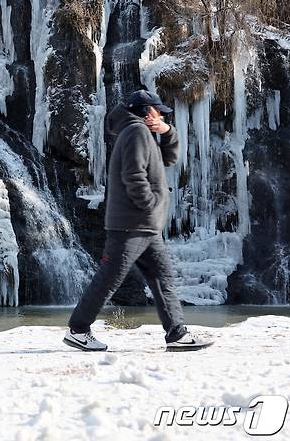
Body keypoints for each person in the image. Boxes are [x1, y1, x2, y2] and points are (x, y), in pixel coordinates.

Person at [64, 89, 213, 352]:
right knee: (109, 278)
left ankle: (177, 334)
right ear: (146, 112)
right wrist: (150, 204)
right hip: (132, 224)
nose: (160, 116)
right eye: (157, 112)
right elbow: (133, 174)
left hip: (144, 225)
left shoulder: (140, 133)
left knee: (162, 277)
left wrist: (166, 131)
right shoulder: (136, 133)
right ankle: (78, 330)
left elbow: (169, 158)